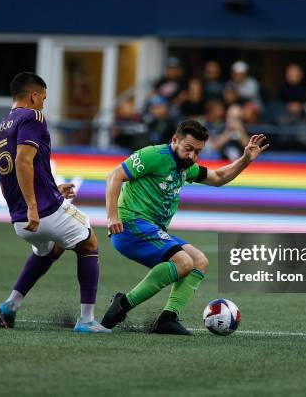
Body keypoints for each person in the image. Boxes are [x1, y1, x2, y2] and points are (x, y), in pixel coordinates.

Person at [102, 120, 268, 335]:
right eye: (188, 149)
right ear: (174, 140)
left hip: (151, 229)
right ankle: (121, 305)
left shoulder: (185, 167)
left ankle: (167, 319)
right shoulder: (154, 155)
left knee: (199, 261)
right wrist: (112, 215)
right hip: (130, 225)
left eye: (197, 151)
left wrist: (245, 159)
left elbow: (218, 177)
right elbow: (115, 176)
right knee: (183, 262)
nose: (192, 156)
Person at [0, 72, 110, 333]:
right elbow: (23, 161)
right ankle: (87, 320)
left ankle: (11, 305)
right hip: (41, 211)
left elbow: (12, 174)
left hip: (19, 219)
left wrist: (50, 189)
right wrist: (35, 205)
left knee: (51, 250)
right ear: (33, 96)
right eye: (43, 98)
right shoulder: (32, 116)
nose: (43, 104)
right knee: (89, 242)